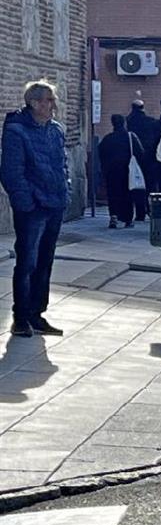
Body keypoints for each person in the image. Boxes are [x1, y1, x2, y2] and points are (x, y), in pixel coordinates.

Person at [0, 80, 68, 337]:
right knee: (27, 261)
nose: (52, 106)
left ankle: (37, 313)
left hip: (55, 203)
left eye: (53, 100)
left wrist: (65, 190)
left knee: (45, 261)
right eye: (48, 100)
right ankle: (21, 317)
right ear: (34, 103)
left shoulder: (56, 130)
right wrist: (26, 203)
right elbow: (11, 172)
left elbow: (62, 165)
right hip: (33, 208)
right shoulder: (17, 131)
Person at [98, 114, 144, 228]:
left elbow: (101, 154)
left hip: (111, 172)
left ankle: (113, 216)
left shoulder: (107, 139)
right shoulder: (131, 137)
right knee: (127, 195)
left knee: (113, 194)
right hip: (127, 171)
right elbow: (140, 153)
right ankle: (127, 219)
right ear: (124, 123)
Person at [126, 95, 158, 219]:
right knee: (150, 185)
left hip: (133, 158)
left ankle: (140, 213)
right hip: (149, 158)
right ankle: (150, 209)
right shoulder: (151, 121)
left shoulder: (128, 121)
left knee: (136, 184)